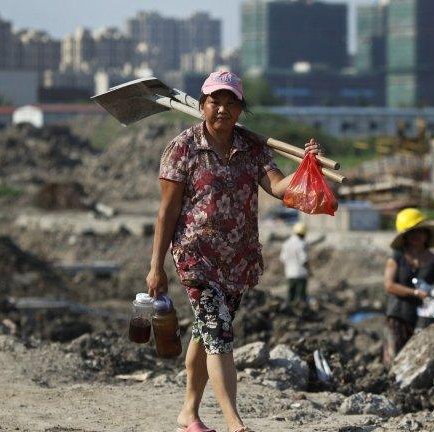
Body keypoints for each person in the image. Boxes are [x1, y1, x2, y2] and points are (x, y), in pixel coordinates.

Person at [146, 70, 322, 432]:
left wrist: (307, 166)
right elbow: (167, 211)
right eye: (216, 101)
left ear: (241, 109)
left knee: (205, 332)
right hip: (196, 257)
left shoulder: (253, 148)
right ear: (202, 105)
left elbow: (278, 188)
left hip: (238, 259)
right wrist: (156, 267)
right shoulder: (183, 148)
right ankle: (234, 423)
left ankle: (188, 414)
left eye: (231, 102)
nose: (223, 109)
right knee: (219, 332)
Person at [382, 208, 434, 365]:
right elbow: (389, 285)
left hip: (422, 319)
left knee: (416, 360)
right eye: (412, 233)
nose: (416, 236)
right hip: (397, 316)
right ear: (405, 237)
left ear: (426, 235)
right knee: (393, 358)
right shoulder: (397, 257)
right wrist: (415, 293)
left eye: (420, 232)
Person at [280, 221, 310, 305]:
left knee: (290, 296)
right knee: (301, 298)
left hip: (290, 274)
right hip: (301, 274)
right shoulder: (301, 244)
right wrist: (310, 271)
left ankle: (290, 313)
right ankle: (301, 314)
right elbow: (304, 260)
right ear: (303, 233)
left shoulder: (286, 244)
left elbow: (283, 259)